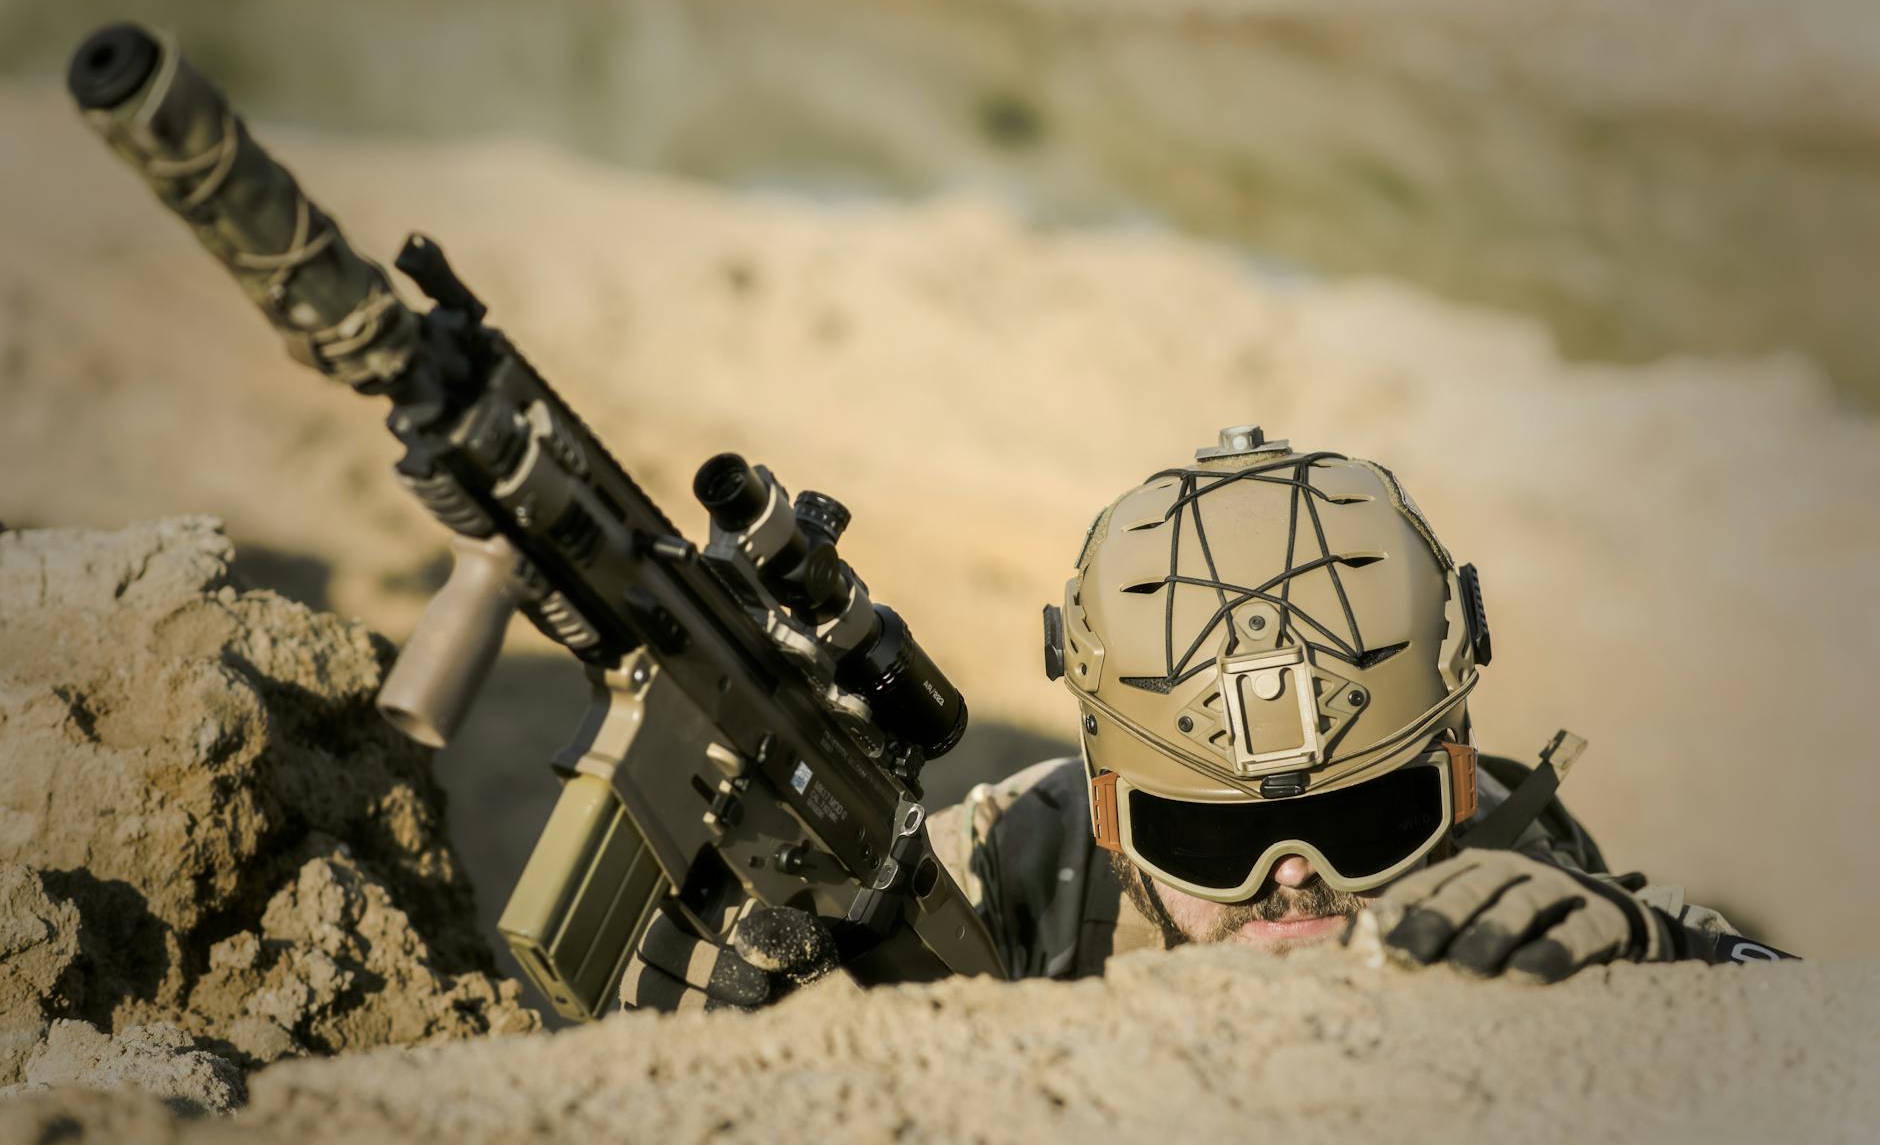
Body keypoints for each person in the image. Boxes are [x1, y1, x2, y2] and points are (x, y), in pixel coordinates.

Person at [620, 427, 1791, 1012]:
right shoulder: (1014, 861)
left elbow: (1798, 1012)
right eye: (1213, 841)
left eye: (1369, 820)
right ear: (1114, 812)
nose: (1292, 883)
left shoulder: (1502, 855)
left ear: (1446, 776)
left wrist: (1648, 952)